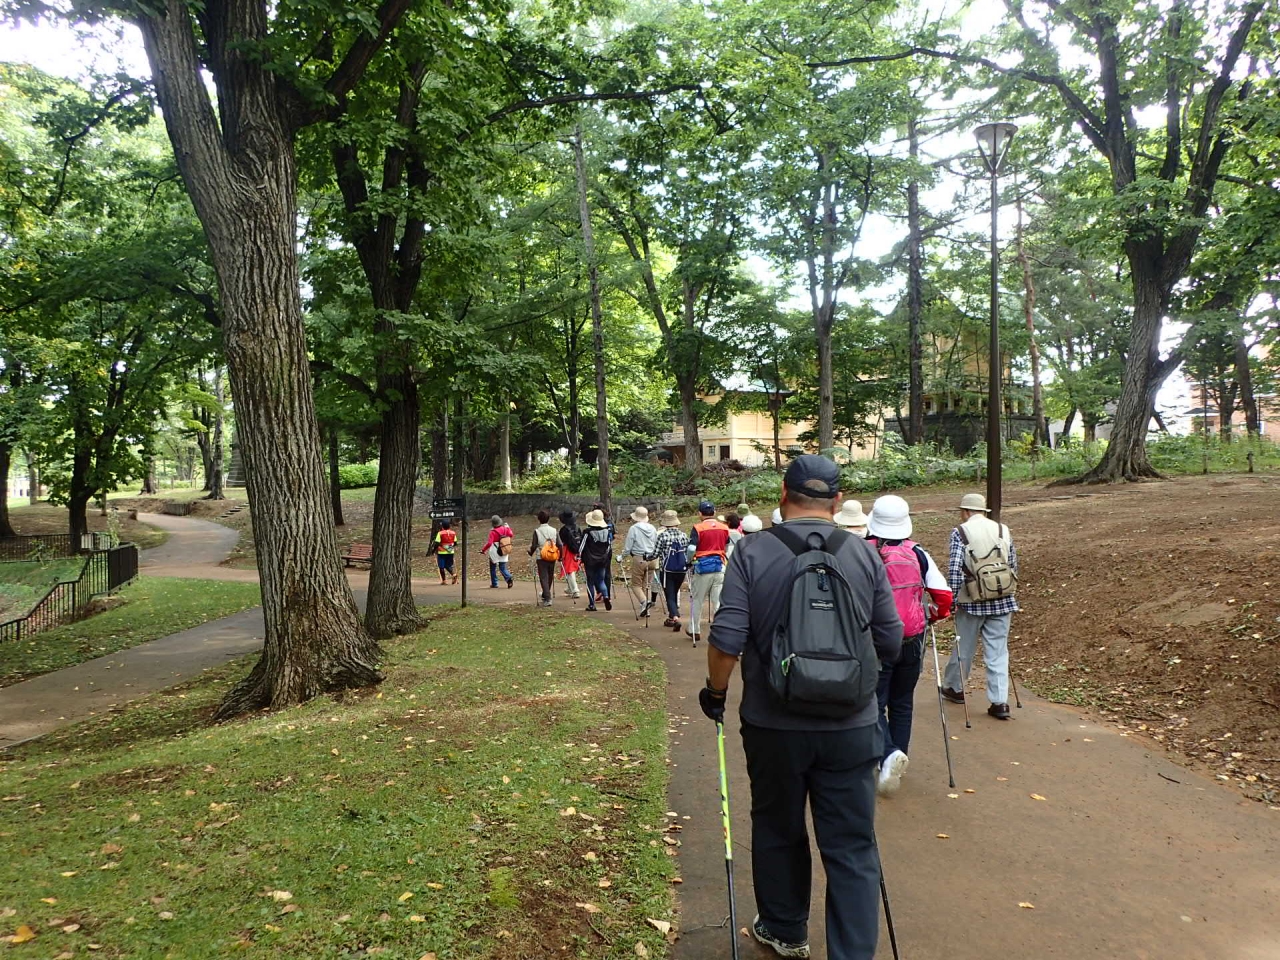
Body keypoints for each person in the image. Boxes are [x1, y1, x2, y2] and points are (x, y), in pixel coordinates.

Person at [698, 454, 904, 960]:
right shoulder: (863, 554)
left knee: (777, 825)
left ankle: (786, 930)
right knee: (853, 845)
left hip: (773, 724)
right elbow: (892, 639)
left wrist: (718, 694)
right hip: (851, 724)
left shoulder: (751, 552)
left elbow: (727, 640)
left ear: (783, 496)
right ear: (837, 500)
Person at [864, 495, 953, 796]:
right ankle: (897, 756)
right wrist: (931, 615)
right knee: (902, 702)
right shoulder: (918, 553)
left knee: (873, 702)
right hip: (913, 638)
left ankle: (888, 755)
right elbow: (944, 597)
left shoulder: (864, 552)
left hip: (876, 640)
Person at [943, 493, 1019, 720]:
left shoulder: (960, 532)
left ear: (966, 512)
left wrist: (952, 599)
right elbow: (1013, 563)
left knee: (963, 647)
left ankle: (955, 688)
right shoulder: (1002, 529)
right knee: (997, 651)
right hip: (1002, 598)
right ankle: (999, 702)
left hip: (971, 600)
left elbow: (955, 569)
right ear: (983, 511)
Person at [686, 500, 730, 644]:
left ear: (700, 513)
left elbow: (692, 548)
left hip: (702, 567)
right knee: (717, 601)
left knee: (698, 599)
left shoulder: (698, 528)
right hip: (719, 566)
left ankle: (694, 629)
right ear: (714, 512)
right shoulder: (724, 527)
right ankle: (722, 630)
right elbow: (727, 545)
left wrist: (688, 560)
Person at [653, 509, 690, 630]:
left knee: (669, 594)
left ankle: (675, 617)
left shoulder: (662, 535)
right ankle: (670, 617)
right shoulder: (683, 535)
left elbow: (655, 553)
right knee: (674, 592)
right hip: (681, 570)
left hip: (667, 570)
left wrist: (646, 557)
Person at [623, 506, 659, 617]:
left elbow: (628, 547)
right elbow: (655, 542)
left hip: (639, 558)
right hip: (652, 559)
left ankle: (644, 602)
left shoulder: (634, 529)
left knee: (636, 585)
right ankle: (645, 609)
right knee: (645, 585)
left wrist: (622, 556)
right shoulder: (652, 528)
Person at [578, 509, 614, 612]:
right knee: (601, 580)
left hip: (590, 561)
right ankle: (606, 596)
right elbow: (609, 546)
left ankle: (592, 605)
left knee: (590, 581)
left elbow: (582, 546)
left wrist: (578, 556)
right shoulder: (607, 531)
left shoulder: (587, 532)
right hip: (603, 560)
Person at [528, 510, 559, 607]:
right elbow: (560, 544)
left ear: (539, 519)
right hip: (552, 555)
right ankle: (546, 595)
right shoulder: (554, 530)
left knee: (543, 577)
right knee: (549, 576)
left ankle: (548, 598)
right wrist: (560, 556)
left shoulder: (537, 531)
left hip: (541, 556)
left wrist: (530, 552)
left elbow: (534, 545)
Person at [481, 515, 515, 589]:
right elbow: (511, 535)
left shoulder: (492, 532)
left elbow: (489, 543)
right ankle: (509, 578)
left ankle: (494, 583)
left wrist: (483, 550)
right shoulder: (506, 529)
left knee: (493, 568)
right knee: (502, 568)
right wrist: (508, 527)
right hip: (504, 549)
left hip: (494, 552)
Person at [557, 510, 582, 600]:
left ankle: (575, 590)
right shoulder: (577, 527)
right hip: (577, 550)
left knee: (569, 570)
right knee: (572, 569)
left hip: (567, 551)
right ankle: (570, 587)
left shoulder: (564, 530)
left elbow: (560, 541)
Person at [432, 519, 458, 586]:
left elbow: (437, 543)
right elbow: (455, 542)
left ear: (442, 526)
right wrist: (450, 548)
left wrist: (434, 550)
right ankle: (453, 574)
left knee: (441, 567)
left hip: (441, 552)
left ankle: (444, 580)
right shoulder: (453, 533)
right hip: (450, 552)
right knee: (448, 565)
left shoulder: (440, 533)